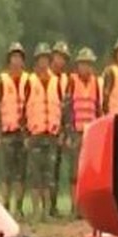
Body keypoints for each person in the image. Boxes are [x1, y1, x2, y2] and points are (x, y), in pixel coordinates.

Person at [62, 47, 101, 218]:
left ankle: (88, 208)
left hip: (91, 134)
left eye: (89, 64)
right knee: (74, 173)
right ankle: (74, 207)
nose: (86, 68)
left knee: (90, 173)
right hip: (76, 133)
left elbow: (99, 108)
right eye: (83, 64)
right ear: (78, 66)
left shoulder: (96, 83)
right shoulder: (72, 82)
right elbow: (67, 109)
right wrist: (68, 133)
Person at [25, 43, 63, 219]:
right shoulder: (30, 81)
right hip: (35, 133)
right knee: (35, 174)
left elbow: (63, 108)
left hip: (52, 133)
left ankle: (47, 211)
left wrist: (62, 131)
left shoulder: (57, 82)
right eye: (41, 58)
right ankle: (36, 211)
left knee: (48, 175)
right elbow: (23, 108)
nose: (44, 62)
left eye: (46, 58)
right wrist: (26, 133)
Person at [0, 42, 30, 215]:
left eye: (19, 57)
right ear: (9, 60)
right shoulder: (2, 80)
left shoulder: (28, 80)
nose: (16, 61)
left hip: (23, 132)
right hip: (7, 132)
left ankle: (19, 207)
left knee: (21, 173)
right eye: (13, 57)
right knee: (7, 173)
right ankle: (6, 205)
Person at [49, 40, 71, 217]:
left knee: (57, 169)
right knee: (45, 172)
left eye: (63, 58)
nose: (60, 61)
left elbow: (68, 108)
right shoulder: (43, 77)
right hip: (45, 128)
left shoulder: (66, 80)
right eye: (58, 56)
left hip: (60, 130)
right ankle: (47, 206)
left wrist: (65, 131)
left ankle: (54, 206)